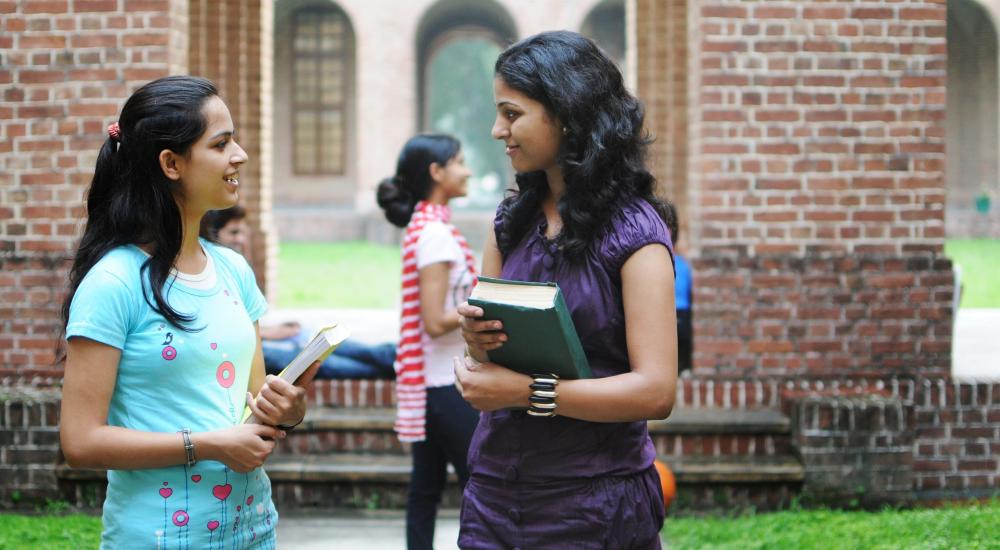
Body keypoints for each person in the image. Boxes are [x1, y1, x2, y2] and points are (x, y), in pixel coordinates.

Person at [59, 76, 318, 549]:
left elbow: (252, 404)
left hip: (254, 530)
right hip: (158, 538)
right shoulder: (113, 283)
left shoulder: (234, 270)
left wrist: (287, 411)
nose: (240, 155)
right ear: (171, 163)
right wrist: (208, 444)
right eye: (221, 144)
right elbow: (80, 441)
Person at [453, 31, 679, 549]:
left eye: (512, 114)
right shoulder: (510, 222)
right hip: (495, 494)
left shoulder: (636, 232)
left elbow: (656, 391)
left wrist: (526, 393)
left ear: (566, 114)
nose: (497, 130)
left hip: (595, 502)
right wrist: (476, 345)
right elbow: (490, 361)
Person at [376, 134, 481, 550]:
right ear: (437, 172)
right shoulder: (434, 234)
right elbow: (435, 321)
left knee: (426, 489)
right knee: (481, 484)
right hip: (445, 385)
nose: (467, 171)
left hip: (433, 383)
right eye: (459, 162)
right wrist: (486, 306)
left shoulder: (428, 227)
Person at [201, 206, 396, 380]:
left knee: (333, 341)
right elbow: (221, 333)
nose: (241, 239)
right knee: (323, 362)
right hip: (260, 349)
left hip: (278, 339)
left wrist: (277, 330)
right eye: (234, 233)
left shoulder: (235, 267)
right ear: (213, 235)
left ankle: (397, 356)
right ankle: (394, 368)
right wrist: (272, 334)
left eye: (243, 233)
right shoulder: (208, 274)